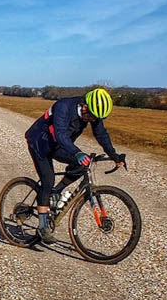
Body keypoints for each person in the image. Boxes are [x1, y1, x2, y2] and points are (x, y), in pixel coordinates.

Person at [24, 88, 124, 244]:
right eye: (90, 116)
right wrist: (77, 152)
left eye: (95, 118)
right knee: (48, 179)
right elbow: (61, 134)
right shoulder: (63, 107)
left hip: (59, 145)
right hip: (40, 142)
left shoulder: (92, 113)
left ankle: (56, 192)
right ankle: (42, 226)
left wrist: (114, 155)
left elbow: (101, 134)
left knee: (82, 165)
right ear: (84, 106)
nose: (92, 120)